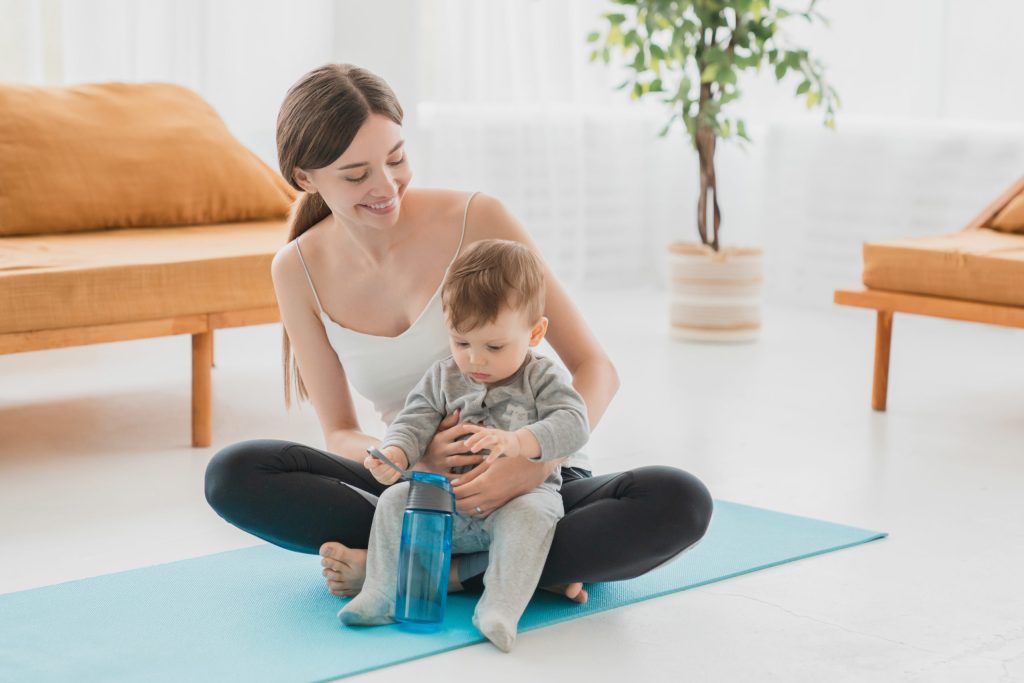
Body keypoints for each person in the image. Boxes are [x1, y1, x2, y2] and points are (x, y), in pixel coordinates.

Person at [203, 63, 713, 615]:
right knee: (234, 473)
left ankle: (436, 572)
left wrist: (531, 463)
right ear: (306, 178)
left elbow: (595, 368)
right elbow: (343, 433)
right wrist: (415, 461)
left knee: (679, 500)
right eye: (355, 175)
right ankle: (521, 568)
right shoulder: (296, 269)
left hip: (541, 482)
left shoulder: (478, 217)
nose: (386, 186)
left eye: (396, 158)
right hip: (415, 489)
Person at [340, 239, 590, 652]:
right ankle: (382, 593)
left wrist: (518, 442)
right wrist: (396, 454)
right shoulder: (442, 377)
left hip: (517, 503)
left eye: (493, 347)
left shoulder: (541, 378)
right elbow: (414, 419)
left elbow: (574, 424)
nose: (475, 360)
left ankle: (500, 608)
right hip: (446, 507)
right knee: (394, 500)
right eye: (461, 342)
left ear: (535, 333)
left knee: (533, 515)